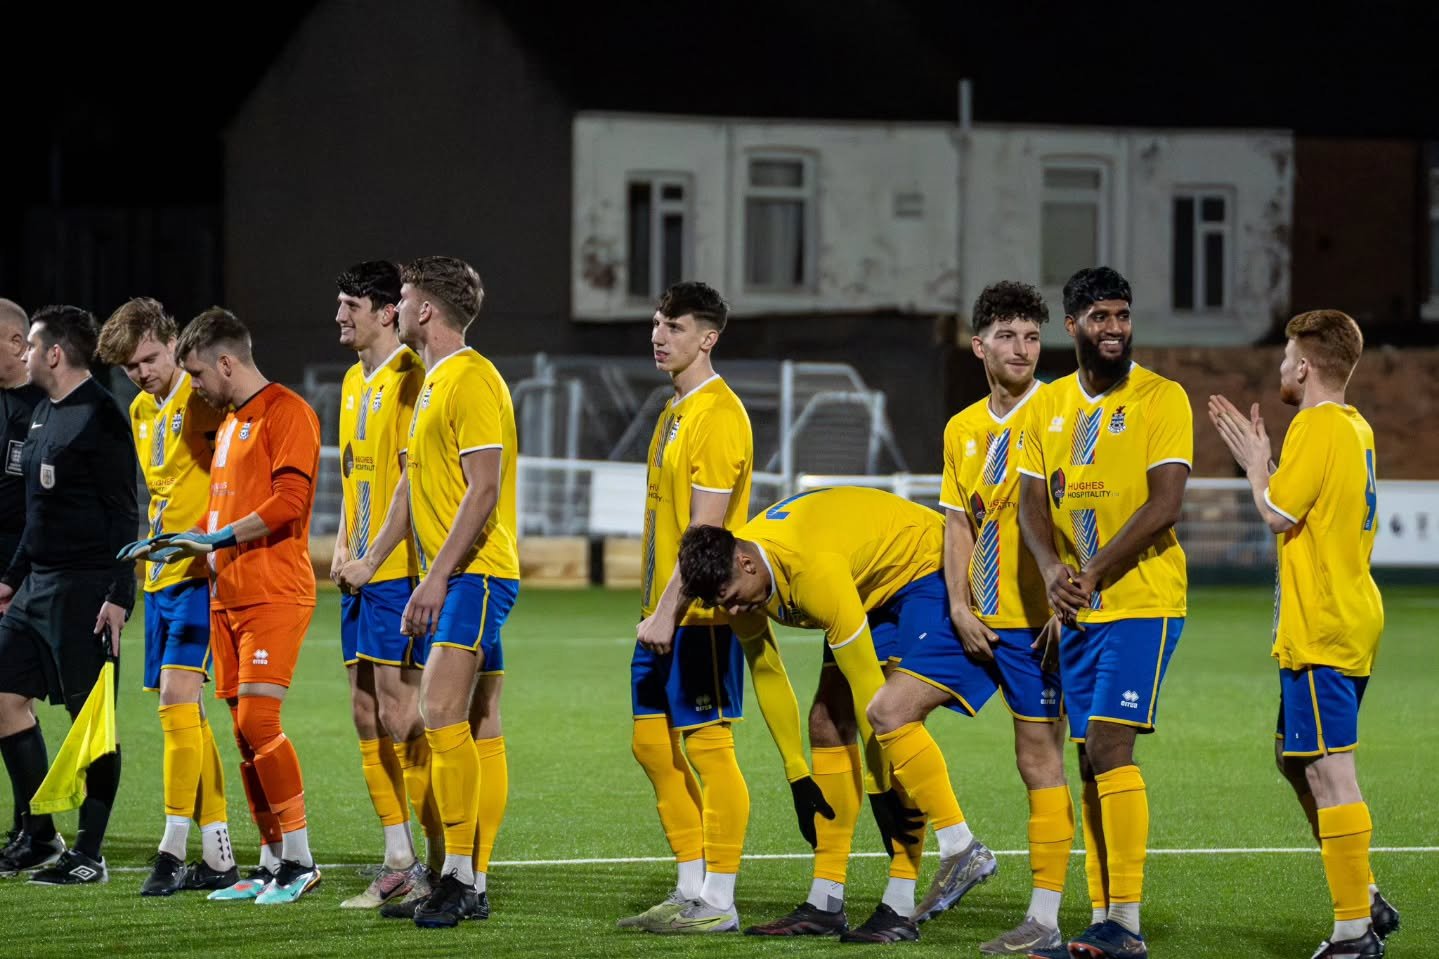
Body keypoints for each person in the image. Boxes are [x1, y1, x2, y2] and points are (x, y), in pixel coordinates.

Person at [678, 485, 997, 945]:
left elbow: (870, 689)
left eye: (729, 596)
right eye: (719, 604)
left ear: (746, 562)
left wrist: (880, 787)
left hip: (921, 567)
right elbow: (767, 672)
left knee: (894, 716)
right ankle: (826, 901)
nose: (730, 609)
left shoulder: (812, 572)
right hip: (864, 583)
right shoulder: (740, 581)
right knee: (825, 722)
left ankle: (924, 882)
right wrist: (796, 774)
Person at [865, 281, 1072, 955]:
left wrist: (1071, 601)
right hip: (974, 618)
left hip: (1039, 624)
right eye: (1007, 335)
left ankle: (1044, 920)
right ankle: (961, 848)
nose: (1022, 349)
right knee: (888, 710)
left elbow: (1089, 509)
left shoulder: (1063, 411)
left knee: (1038, 759)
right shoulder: (962, 428)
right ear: (978, 344)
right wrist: (956, 603)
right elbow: (957, 523)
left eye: (1032, 336)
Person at [1208, 310, 1399, 959]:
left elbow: (1274, 512)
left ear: (1303, 366)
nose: (1279, 367)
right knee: (1295, 759)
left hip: (1323, 622)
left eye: (1285, 356)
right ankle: (1363, 890)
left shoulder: (1316, 424)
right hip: (1348, 612)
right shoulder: (1355, 425)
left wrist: (1255, 462)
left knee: (1328, 770)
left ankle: (1353, 929)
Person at [1016, 267, 1190, 959]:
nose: (1114, 328)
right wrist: (1052, 569)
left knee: (1110, 747)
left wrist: (1087, 571)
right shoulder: (1047, 406)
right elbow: (1031, 502)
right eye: (1099, 317)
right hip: (1080, 609)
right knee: (1090, 759)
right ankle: (1103, 916)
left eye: (1121, 315)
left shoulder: (1159, 397)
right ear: (1073, 326)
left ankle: (1126, 923)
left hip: (1142, 600)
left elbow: (1164, 503)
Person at [126, 307, 323, 905]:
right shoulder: (232, 420)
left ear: (226, 363)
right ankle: (268, 862)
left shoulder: (287, 412)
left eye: (198, 374)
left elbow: (291, 499)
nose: (196, 387)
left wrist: (215, 539)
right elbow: (220, 509)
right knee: (242, 733)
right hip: (227, 593)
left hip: (273, 589)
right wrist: (185, 542)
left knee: (260, 722)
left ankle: (301, 859)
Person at [374, 256, 518, 928]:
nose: (395, 309)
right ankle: (467, 877)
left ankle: (461, 877)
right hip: (457, 573)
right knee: (475, 722)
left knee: (437, 712)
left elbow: (483, 488)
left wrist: (435, 578)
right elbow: (417, 487)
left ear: (425, 308)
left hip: (478, 573)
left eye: (400, 298)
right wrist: (381, 555)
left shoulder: (472, 378)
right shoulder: (433, 382)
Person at [616, 281, 762, 935]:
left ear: (708, 337)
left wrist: (668, 611)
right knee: (651, 744)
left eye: (673, 326)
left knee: (708, 747)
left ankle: (720, 900)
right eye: (655, 323)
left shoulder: (717, 414)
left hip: (698, 616)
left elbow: (705, 535)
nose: (658, 335)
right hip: (661, 612)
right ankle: (689, 885)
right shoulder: (674, 409)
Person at [97, 298, 236, 896]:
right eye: (131, 367)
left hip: (200, 575)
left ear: (169, 340)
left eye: (149, 358)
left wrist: (218, 544)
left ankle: (172, 845)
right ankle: (219, 850)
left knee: (177, 705)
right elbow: (151, 494)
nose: (143, 372)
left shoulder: (203, 398)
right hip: (158, 578)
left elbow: (237, 471)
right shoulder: (138, 410)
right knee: (186, 716)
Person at [0, 305, 137, 884]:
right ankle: (39, 833)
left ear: (54, 353)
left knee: (91, 722)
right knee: (4, 696)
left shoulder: (100, 416)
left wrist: (119, 594)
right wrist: (10, 578)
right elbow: (37, 514)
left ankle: (90, 855)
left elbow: (125, 512)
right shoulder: (41, 416)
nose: (24, 355)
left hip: (86, 593)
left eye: (30, 346)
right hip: (36, 587)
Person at [325, 261, 436, 909]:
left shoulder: (409, 379)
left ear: (385, 311)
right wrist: (341, 546)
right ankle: (398, 858)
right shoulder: (350, 380)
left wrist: (373, 558)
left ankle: (442, 859)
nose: (340, 316)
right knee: (365, 713)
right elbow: (352, 475)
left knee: (401, 715)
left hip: (397, 575)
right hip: (359, 575)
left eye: (349, 305)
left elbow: (409, 483)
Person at [0, 298, 42, 845]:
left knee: (10, 700)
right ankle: (31, 825)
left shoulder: (47, 405)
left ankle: (43, 829)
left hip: (31, 573)